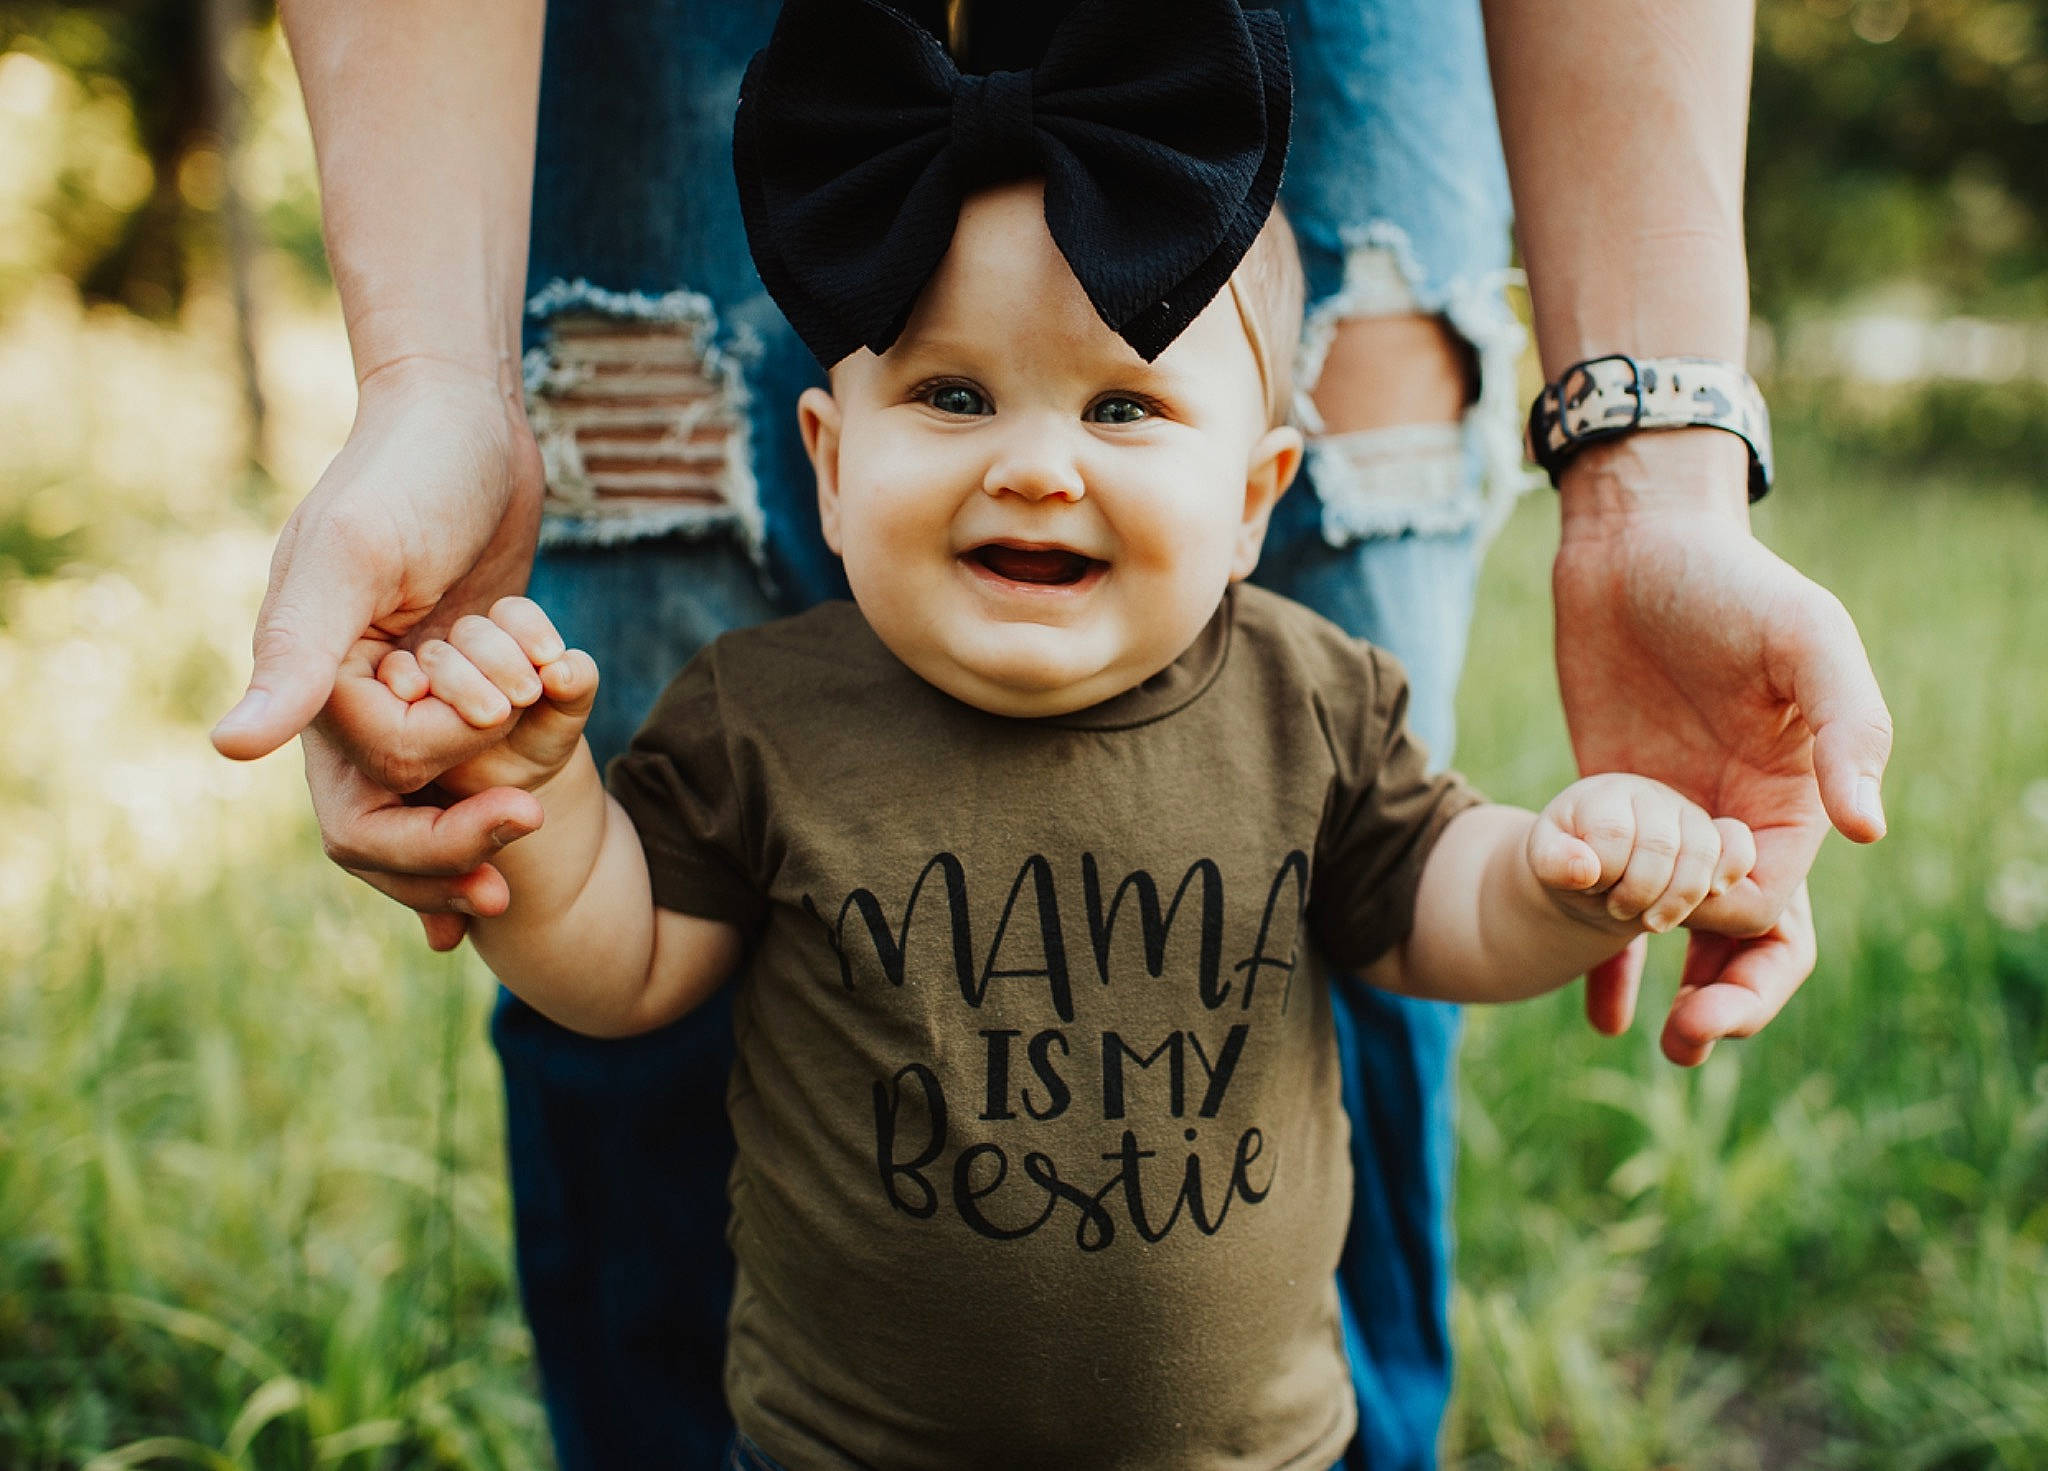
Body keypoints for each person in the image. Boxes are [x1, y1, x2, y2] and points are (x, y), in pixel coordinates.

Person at [217, 0, 1894, 1465]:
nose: (1033, 463)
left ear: (1257, 497)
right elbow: (631, 965)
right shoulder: (759, 712)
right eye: (951, 395)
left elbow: (1427, 914)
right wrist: (538, 811)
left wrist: (1564, 874)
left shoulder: (1314, 699)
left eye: (1124, 404)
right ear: (827, 460)